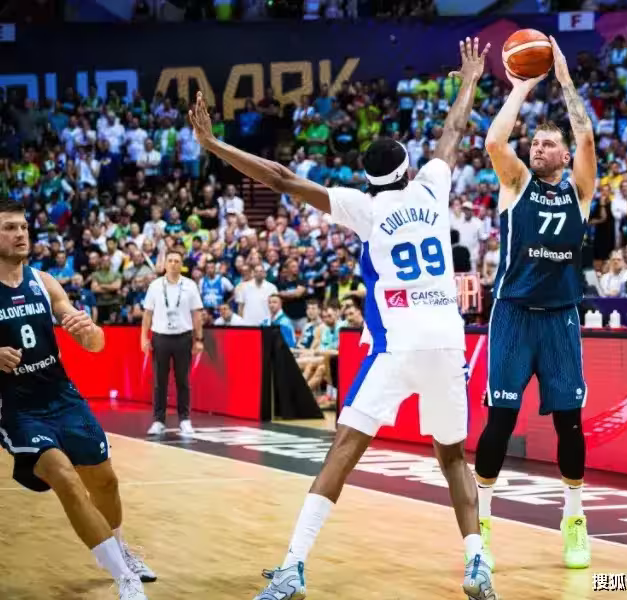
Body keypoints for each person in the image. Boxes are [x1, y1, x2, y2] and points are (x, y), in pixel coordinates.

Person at [189, 37, 497, 600]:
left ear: (370, 178)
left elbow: (281, 178)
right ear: (408, 169)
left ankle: (293, 567)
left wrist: (214, 144)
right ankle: (477, 563)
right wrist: (471, 79)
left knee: (344, 450)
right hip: (448, 341)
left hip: (399, 344)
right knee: (453, 456)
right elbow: (454, 131)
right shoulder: (432, 188)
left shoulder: (365, 206)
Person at [476, 37, 597, 572]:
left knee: (570, 422)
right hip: (513, 315)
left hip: (560, 319)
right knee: (500, 421)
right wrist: (521, 87)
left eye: (548, 144)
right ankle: (481, 524)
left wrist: (564, 80)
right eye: (535, 143)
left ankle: (574, 520)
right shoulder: (516, 183)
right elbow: (494, 140)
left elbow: (586, 134)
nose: (538, 148)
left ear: (565, 157)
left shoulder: (579, 192)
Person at [0, 199, 155, 600]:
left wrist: (87, 331)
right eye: (9, 228)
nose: (20, 234)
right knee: (65, 478)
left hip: (63, 397)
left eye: (23, 227)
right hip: (19, 409)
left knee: (105, 481)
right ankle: (124, 577)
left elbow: (96, 343)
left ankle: (120, 549)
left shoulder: (44, 282)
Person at [140, 250, 204, 436]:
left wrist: (199, 339)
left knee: (183, 380)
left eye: (177, 261)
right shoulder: (155, 286)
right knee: (160, 381)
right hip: (160, 337)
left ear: (181, 265)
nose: (174, 264)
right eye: (170, 260)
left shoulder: (190, 286)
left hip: (183, 337)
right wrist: (144, 337)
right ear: (165, 264)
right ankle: (158, 421)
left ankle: (185, 419)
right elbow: (147, 314)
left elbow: (197, 314)